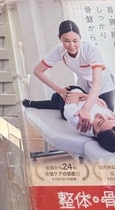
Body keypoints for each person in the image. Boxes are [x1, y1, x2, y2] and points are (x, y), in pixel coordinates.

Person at [23, 19, 115, 148]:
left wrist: (86, 108)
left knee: (105, 113)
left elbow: (97, 84)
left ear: (80, 38)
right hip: (83, 83)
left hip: (102, 82)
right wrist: (59, 90)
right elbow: (38, 71)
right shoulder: (59, 51)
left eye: (75, 41)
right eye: (66, 41)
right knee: (102, 110)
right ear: (60, 39)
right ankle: (47, 101)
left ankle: (43, 102)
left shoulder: (90, 50)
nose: (72, 46)